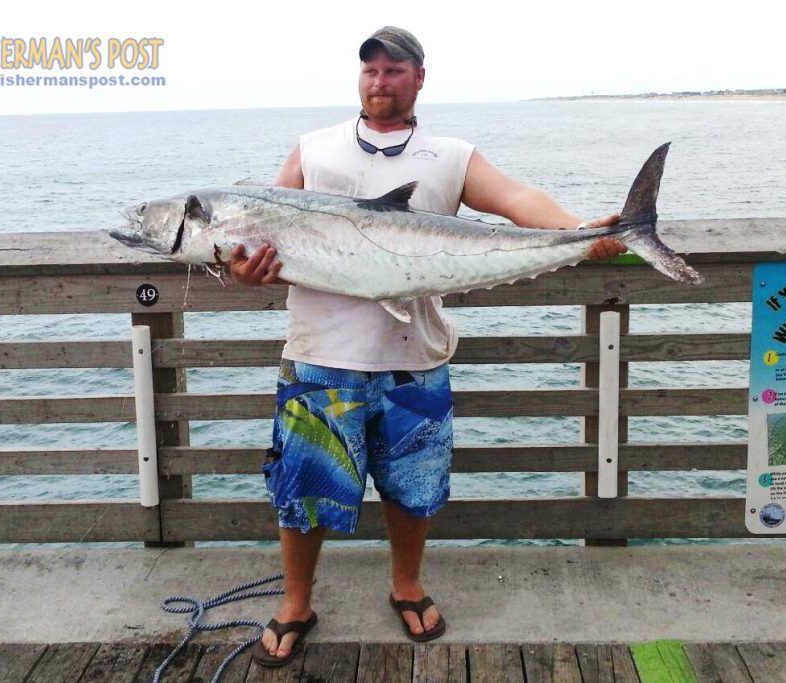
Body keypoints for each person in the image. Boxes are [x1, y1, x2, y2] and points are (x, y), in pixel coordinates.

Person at [234, 26, 626, 666]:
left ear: (419, 78)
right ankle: (296, 601)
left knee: (413, 485)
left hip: (415, 358)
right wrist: (242, 272)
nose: (379, 81)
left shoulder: (449, 155)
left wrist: (577, 231)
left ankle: (407, 585)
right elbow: (257, 234)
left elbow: (515, 199)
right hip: (319, 355)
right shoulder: (313, 150)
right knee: (303, 488)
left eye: (393, 70)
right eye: (369, 71)